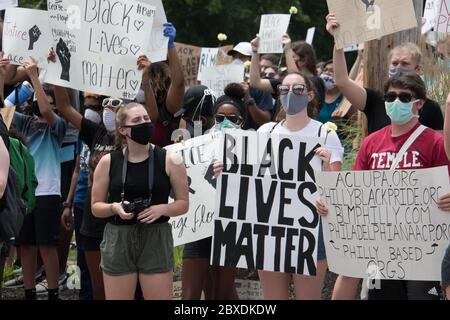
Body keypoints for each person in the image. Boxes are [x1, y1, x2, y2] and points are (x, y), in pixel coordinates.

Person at [317, 74, 450, 300]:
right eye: (390, 96)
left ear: (420, 103)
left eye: (404, 97)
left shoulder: (435, 142)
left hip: (423, 249)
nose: (396, 101)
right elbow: (355, 192)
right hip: (381, 247)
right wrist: (330, 202)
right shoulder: (371, 142)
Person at [215, 73, 343, 300]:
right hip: (271, 229)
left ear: (310, 95)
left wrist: (326, 166)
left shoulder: (326, 135)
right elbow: (250, 178)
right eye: (284, 89)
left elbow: (335, 190)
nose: (290, 94)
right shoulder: (266, 132)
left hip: (311, 230)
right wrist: (228, 170)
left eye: (298, 89)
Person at [91, 103, 189, 300]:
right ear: (122, 130)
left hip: (156, 237)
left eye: (146, 119)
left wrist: (162, 209)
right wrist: (114, 207)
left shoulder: (170, 159)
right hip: (119, 237)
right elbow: (96, 207)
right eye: (137, 120)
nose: (144, 123)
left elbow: (183, 204)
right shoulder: (109, 161)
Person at [182, 83, 248, 301]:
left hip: (231, 229)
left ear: (243, 122)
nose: (226, 123)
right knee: (189, 296)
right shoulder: (196, 144)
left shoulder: (254, 147)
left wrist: (237, 169)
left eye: (233, 119)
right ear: (212, 118)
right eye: (220, 118)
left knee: (222, 294)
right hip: (199, 227)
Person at [326, 13, 444, 134]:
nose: (398, 68)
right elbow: (342, 81)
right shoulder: (375, 101)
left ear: (419, 69)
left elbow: (440, 149)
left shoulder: (431, 108)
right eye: (395, 63)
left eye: (405, 63)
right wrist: (338, 41)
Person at [13, 58, 66, 300]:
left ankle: (53, 290)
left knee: (46, 245)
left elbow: (46, 111)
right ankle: (29, 291)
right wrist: (8, 76)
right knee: (25, 245)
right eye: (36, 98)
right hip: (26, 194)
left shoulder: (57, 127)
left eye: (48, 100)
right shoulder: (24, 124)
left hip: (48, 193)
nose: (41, 103)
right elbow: (3, 108)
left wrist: (33, 77)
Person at [137, 22, 185, 147]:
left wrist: (170, 46)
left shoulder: (167, 108)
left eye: (148, 78)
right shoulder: (129, 107)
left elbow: (178, 83)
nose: (142, 84)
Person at [227, 42, 274, 130]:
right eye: (234, 57)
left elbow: (265, 122)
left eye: (241, 57)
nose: (236, 61)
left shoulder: (260, 86)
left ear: (252, 60)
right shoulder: (223, 82)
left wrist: (248, 99)